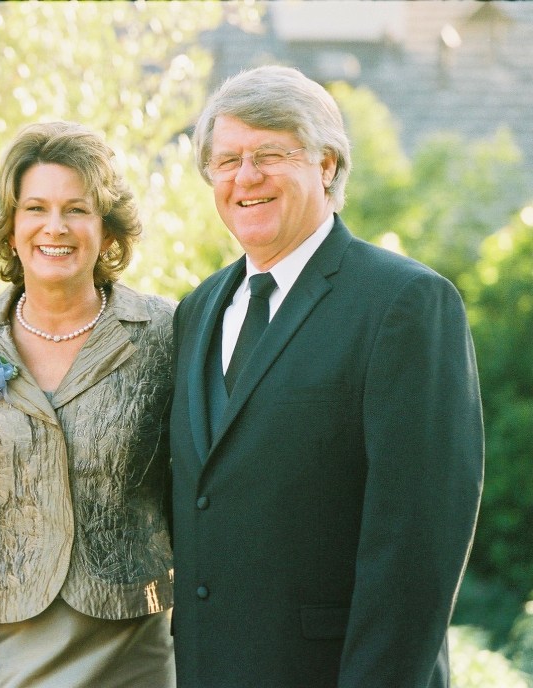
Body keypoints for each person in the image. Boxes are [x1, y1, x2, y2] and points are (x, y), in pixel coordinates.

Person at [170, 65, 484, 687]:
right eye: (227, 160)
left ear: (327, 164)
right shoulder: (197, 310)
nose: (245, 176)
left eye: (270, 154)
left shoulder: (404, 303)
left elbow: (416, 548)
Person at [0, 120, 176, 687]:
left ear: (107, 230)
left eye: (76, 209)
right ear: (11, 230)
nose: (55, 227)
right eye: (35, 208)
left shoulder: (163, 332)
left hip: (130, 635)